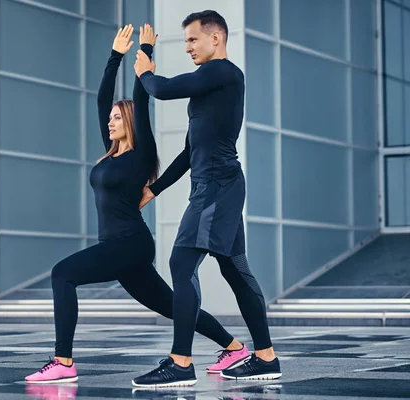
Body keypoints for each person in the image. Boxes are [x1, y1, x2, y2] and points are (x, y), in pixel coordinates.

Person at [25, 23, 251, 385]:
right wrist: (115, 57)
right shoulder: (110, 153)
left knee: (62, 274)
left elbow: (142, 99)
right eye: (111, 119)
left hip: (129, 244)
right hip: (118, 247)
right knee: (169, 303)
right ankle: (234, 346)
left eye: (118, 118)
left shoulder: (142, 155)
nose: (111, 122)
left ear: (129, 123)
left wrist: (145, 53)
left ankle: (63, 361)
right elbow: (102, 100)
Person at [131, 10, 282, 386]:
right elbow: (188, 152)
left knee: (181, 263)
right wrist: (155, 188)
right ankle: (266, 358)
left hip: (217, 186)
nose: (188, 48)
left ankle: (180, 363)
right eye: (185, 42)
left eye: (193, 40)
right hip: (215, 186)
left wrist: (145, 70)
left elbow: (161, 89)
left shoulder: (223, 72)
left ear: (216, 38)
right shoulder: (207, 89)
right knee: (235, 270)